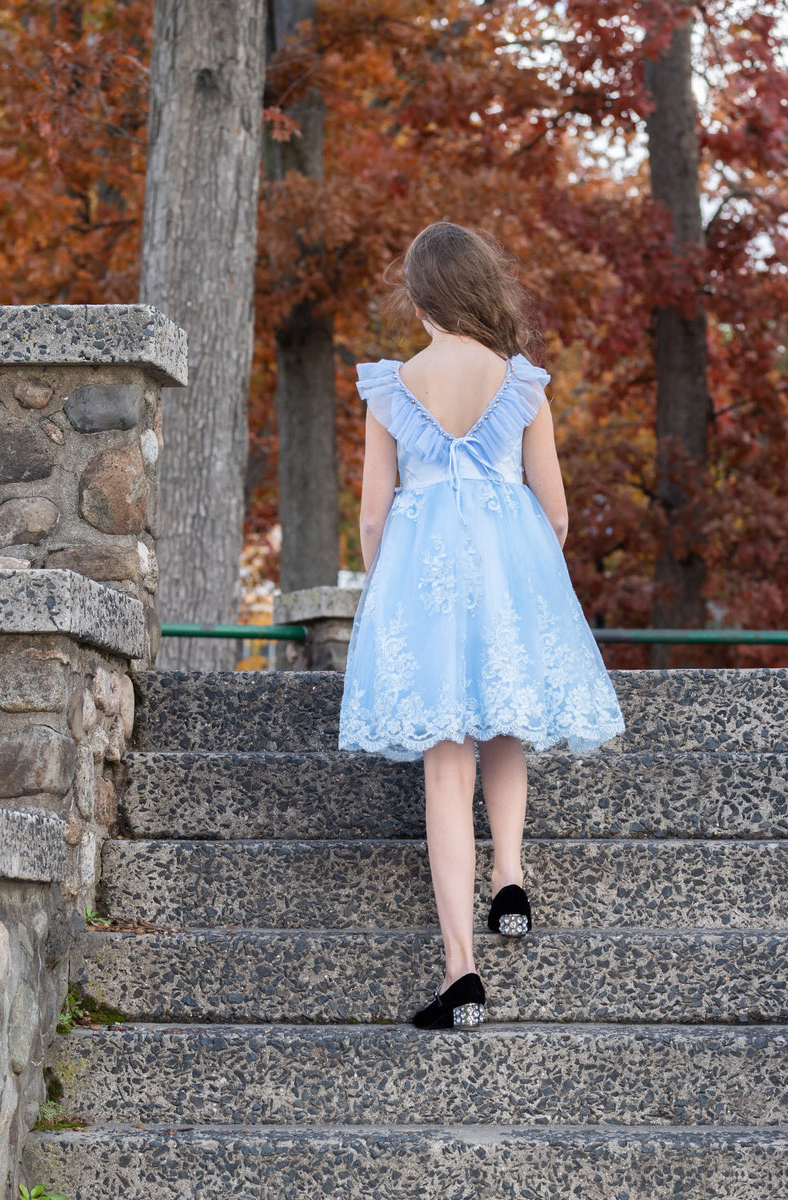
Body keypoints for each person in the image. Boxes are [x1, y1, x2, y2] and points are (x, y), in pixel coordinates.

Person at [338, 221, 625, 1030]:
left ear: (424, 296)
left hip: (425, 584)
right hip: (508, 576)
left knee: (444, 765)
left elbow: (371, 516)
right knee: (506, 722)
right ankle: (510, 881)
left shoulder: (393, 388)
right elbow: (556, 509)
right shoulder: (521, 383)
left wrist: (384, 588)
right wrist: (521, 562)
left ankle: (461, 971)